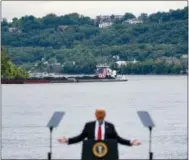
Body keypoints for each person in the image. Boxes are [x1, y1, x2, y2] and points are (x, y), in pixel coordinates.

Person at [58, 109, 141, 146]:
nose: (100, 116)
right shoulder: (89, 125)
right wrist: (67, 140)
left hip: (107, 153)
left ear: (105, 115)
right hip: (91, 153)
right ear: (95, 115)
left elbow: (118, 139)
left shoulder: (110, 126)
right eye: (98, 114)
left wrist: (131, 142)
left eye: (102, 114)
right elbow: (80, 137)